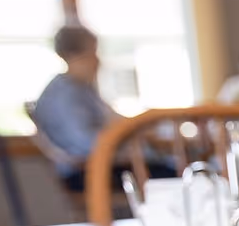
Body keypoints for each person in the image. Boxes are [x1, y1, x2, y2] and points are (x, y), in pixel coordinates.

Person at [32, 24, 175, 191]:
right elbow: (87, 143)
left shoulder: (82, 89)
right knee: (174, 177)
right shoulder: (65, 94)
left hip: (105, 164)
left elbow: (114, 120)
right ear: (73, 56)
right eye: (92, 53)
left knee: (173, 169)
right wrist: (128, 136)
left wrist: (137, 128)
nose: (98, 60)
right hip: (89, 171)